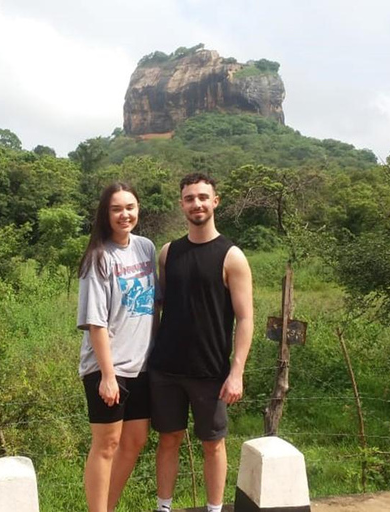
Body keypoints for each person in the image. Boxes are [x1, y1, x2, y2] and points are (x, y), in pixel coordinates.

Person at [148, 173, 254, 512]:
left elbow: (245, 318)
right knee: (168, 440)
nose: (197, 204)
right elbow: (160, 307)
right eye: (190, 198)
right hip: (166, 369)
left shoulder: (232, 256)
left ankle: (214, 509)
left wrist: (236, 372)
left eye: (203, 197)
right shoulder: (168, 253)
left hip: (211, 372)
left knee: (213, 445)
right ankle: (163, 507)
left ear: (215, 201)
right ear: (182, 204)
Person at [76, 182, 158, 512]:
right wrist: (108, 376)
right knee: (106, 444)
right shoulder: (98, 258)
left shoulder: (146, 248)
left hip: (142, 365)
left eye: (130, 207)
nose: (124, 214)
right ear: (105, 214)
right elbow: (96, 323)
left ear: (138, 209)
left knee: (135, 440)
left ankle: (107, 507)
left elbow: (156, 303)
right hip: (107, 367)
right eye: (116, 209)